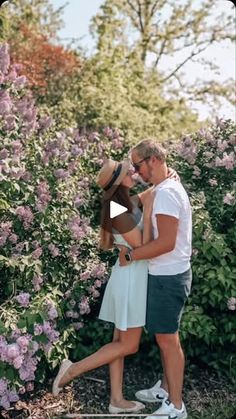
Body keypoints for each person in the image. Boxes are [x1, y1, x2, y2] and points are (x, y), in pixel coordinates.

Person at [52, 157, 177, 414]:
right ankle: (72, 370)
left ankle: (116, 400)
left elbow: (149, 193)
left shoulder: (124, 202)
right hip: (130, 279)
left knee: (118, 341)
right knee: (128, 344)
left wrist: (166, 178)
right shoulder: (117, 210)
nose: (133, 171)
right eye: (127, 171)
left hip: (129, 275)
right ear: (119, 182)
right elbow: (143, 244)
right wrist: (152, 206)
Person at [119, 139, 192, 419]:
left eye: (137, 166)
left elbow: (166, 243)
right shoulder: (162, 189)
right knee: (164, 337)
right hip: (166, 274)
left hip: (168, 276)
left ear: (154, 160)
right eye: (131, 169)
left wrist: (131, 256)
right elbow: (124, 207)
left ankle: (176, 406)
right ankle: (165, 387)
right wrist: (155, 186)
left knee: (168, 340)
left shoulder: (166, 193)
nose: (136, 173)